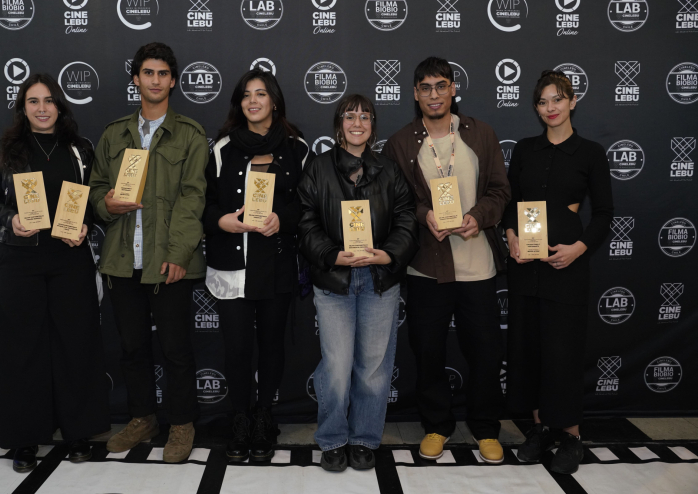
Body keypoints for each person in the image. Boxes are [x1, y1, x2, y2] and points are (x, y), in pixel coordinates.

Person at [0, 73, 109, 473]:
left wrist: (86, 224)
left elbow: (94, 201)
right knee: (21, 352)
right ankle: (24, 438)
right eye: (33, 101)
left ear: (60, 105)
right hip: (21, 262)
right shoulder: (5, 150)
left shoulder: (80, 148)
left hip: (70, 259)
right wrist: (11, 219)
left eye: (49, 100)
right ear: (23, 107)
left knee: (76, 347)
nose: (42, 108)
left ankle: (78, 432)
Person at [382, 57, 509, 464]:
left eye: (441, 86)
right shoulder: (401, 143)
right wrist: (425, 216)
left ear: (453, 89)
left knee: (486, 353)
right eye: (425, 88)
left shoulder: (481, 133)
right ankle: (436, 425)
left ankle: (485, 427)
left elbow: (500, 191)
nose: (434, 95)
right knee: (428, 351)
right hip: (427, 266)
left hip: (478, 265)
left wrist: (478, 217)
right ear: (415, 93)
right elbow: (397, 202)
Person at [88, 42, 209, 463]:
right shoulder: (114, 133)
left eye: (163, 73)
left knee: (176, 350)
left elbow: (193, 198)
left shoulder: (190, 134)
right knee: (132, 348)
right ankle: (142, 418)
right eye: (147, 73)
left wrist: (178, 253)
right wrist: (106, 204)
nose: (155, 80)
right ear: (135, 79)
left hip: (170, 262)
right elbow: (96, 188)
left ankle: (181, 423)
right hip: (123, 261)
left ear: (172, 81)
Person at [297, 94, 418, 472]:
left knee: (374, 367)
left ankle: (365, 438)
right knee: (336, 367)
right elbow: (305, 221)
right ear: (339, 125)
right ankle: (333, 438)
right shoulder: (318, 168)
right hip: (334, 281)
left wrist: (388, 255)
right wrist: (332, 255)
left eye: (365, 117)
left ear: (373, 127)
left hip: (379, 280)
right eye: (350, 116)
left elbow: (407, 219)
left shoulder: (389, 169)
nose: (357, 123)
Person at [503, 70, 613, 474]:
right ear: (536, 107)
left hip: (567, 268)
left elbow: (604, 213)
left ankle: (570, 435)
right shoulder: (525, 150)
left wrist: (578, 250)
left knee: (562, 352)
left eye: (558, 99)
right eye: (543, 101)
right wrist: (511, 237)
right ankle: (539, 430)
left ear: (572, 101)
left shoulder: (590, 153)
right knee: (529, 349)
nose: (550, 108)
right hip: (525, 268)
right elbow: (510, 204)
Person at [203, 69, 311, 462]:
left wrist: (283, 219)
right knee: (236, 348)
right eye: (246, 94)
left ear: (274, 101)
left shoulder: (297, 149)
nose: (253, 101)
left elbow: (309, 204)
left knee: (271, 345)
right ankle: (239, 417)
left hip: (276, 263)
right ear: (239, 103)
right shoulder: (222, 148)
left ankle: (264, 416)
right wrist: (222, 222)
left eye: (261, 93)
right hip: (231, 264)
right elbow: (204, 203)